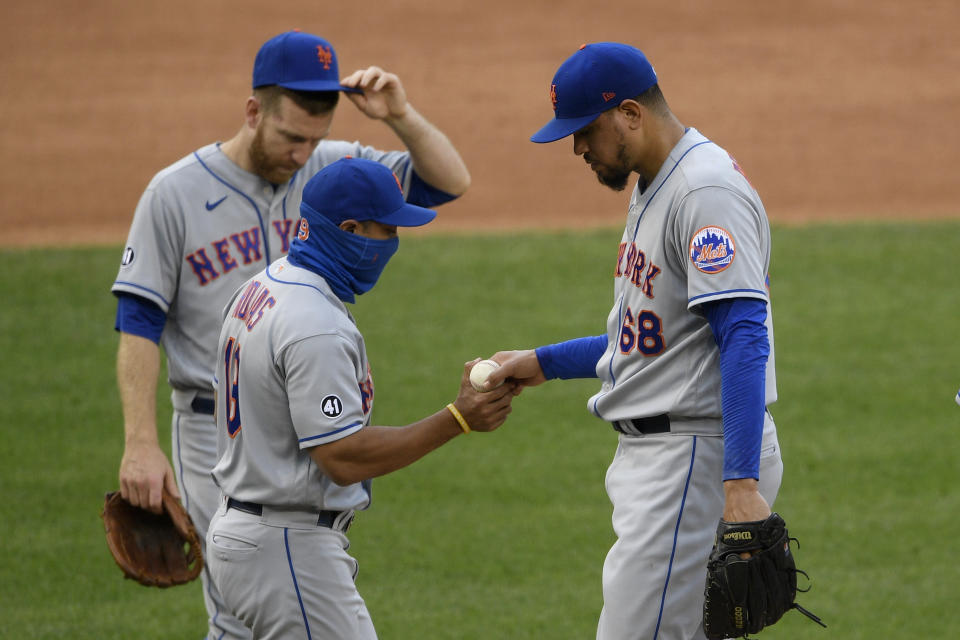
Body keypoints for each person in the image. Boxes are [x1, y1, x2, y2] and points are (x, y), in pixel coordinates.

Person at [110, 30, 470, 639]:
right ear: (254, 112)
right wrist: (141, 443)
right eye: (291, 138)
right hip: (213, 429)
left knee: (240, 616)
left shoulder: (328, 175)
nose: (303, 155)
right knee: (241, 608)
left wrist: (399, 116)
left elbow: (445, 183)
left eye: (315, 141)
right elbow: (138, 321)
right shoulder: (174, 193)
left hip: (285, 422)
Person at [482, 43, 785, 639]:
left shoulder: (702, 191)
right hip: (673, 455)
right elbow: (654, 338)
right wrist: (542, 363)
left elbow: (745, 335)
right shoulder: (655, 183)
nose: (578, 149)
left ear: (629, 113)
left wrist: (741, 485)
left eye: (585, 131)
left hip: (692, 460)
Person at [205, 157, 514, 639]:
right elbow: (341, 456)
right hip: (287, 551)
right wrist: (457, 418)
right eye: (385, 231)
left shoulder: (262, 286)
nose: (392, 243)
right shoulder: (314, 324)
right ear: (349, 229)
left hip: (249, 531)